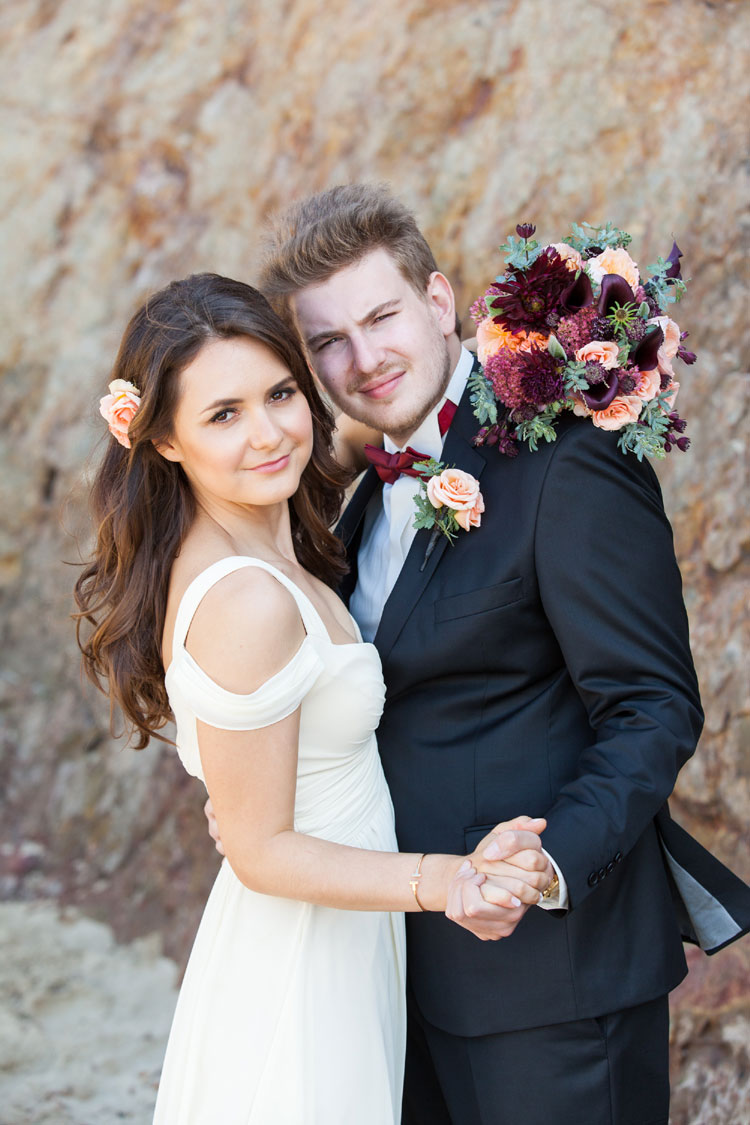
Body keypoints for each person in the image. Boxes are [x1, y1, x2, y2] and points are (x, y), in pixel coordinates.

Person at [205, 184, 750, 1124]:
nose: (364, 358)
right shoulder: (359, 503)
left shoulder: (569, 462)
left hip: (556, 981)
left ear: (439, 300)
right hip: (402, 967)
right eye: (328, 340)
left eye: (381, 316)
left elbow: (652, 707)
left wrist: (545, 870)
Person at [73, 273, 553, 1124]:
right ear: (164, 441)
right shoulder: (246, 598)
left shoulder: (285, 546)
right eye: (223, 414)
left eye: (281, 393)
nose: (267, 433)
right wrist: (449, 879)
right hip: (300, 956)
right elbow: (261, 851)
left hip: (339, 933)